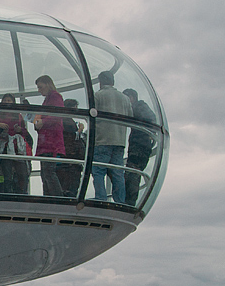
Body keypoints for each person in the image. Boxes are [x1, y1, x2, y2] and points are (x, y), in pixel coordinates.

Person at [91, 71, 132, 204]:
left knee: (98, 171)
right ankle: (120, 201)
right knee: (117, 173)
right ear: (113, 81)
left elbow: (91, 117)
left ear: (100, 82)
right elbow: (130, 117)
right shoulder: (124, 98)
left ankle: (101, 198)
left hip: (102, 139)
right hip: (119, 141)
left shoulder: (98, 96)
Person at [122, 88, 157, 206]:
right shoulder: (140, 108)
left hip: (139, 146)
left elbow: (151, 119)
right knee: (132, 172)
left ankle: (129, 201)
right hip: (141, 145)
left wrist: (147, 135)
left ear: (131, 98)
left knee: (132, 172)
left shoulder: (139, 107)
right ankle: (129, 200)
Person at [32, 75, 65, 197]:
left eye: (40, 87)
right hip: (48, 142)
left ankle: (55, 197)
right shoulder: (49, 99)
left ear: (47, 84)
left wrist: (43, 122)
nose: (39, 90)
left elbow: (57, 115)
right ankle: (51, 197)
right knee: (46, 173)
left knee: (48, 172)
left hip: (50, 142)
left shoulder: (55, 97)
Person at [0, 94, 32, 194]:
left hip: (17, 148)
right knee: (7, 172)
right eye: (5, 100)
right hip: (5, 147)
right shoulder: (0, 114)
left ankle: (21, 192)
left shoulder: (18, 115)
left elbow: (24, 131)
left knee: (21, 172)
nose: (7, 102)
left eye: (9, 100)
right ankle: (8, 192)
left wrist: (20, 130)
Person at [59, 99, 86, 197]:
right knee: (71, 187)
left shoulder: (64, 121)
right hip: (71, 159)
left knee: (67, 186)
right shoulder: (67, 122)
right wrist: (79, 131)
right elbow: (70, 138)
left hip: (68, 159)